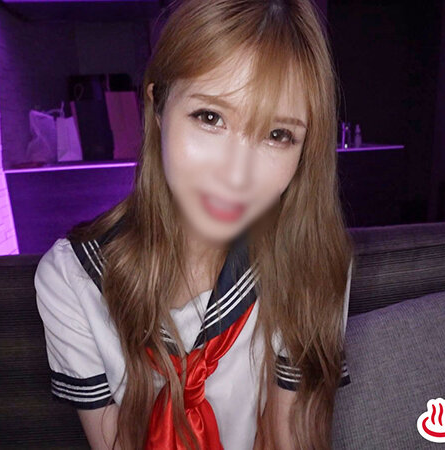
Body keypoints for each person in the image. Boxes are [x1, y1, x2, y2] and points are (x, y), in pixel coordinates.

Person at [35, 0, 353, 448]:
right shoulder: (73, 279)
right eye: (210, 117)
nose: (236, 176)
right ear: (158, 107)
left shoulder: (308, 260)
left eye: (278, 134)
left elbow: (291, 438)